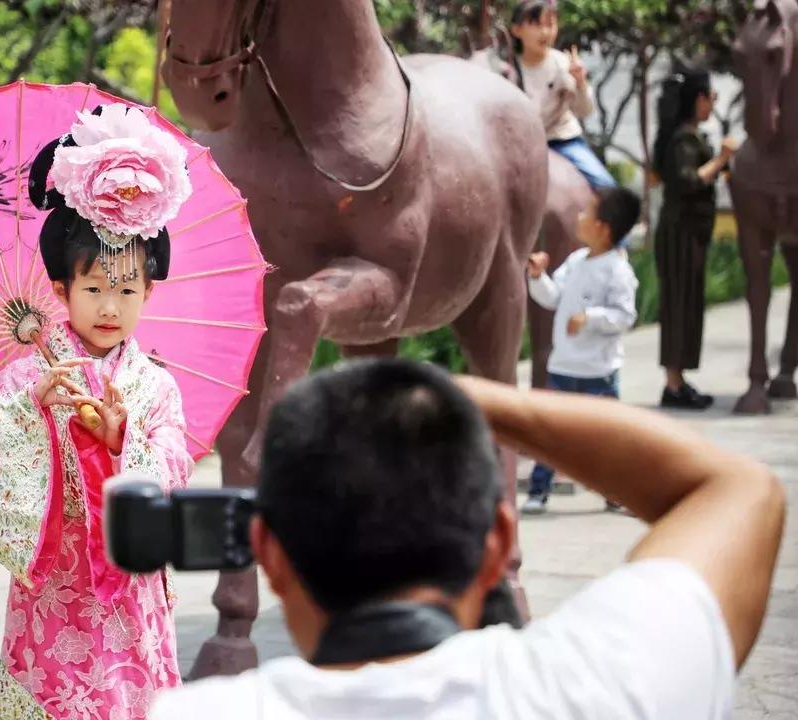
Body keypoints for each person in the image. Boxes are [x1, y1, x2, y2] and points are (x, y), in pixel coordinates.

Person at [149, 358, 785, 720]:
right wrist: (465, 397)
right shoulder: (602, 683)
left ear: (270, 558)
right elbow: (737, 488)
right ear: (496, 542)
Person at [0, 103, 195, 719]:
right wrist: (31, 411)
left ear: (148, 292)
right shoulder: (30, 375)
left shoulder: (155, 386)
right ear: (60, 291)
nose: (111, 305)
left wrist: (121, 438)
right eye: (93, 288)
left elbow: (175, 469)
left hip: (132, 595)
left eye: (127, 289)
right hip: (56, 594)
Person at [522, 186, 641, 514]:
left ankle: (616, 491)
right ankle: (538, 490)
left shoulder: (618, 271)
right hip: (563, 367)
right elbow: (552, 297)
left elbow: (624, 315)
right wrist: (537, 277)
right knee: (549, 433)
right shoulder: (576, 261)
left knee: (605, 437)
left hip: (598, 373)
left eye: (586, 212)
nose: (579, 217)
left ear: (602, 228)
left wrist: (590, 319)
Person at [652, 66, 739, 410]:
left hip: (690, 236)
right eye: (711, 97)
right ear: (698, 99)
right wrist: (721, 159)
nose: (712, 104)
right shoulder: (682, 139)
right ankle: (673, 385)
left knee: (687, 305)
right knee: (678, 305)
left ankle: (679, 380)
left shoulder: (691, 135)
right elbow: (689, 179)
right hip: (679, 236)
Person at [510, 0, 617, 191]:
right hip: (520, 147)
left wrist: (580, 83)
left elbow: (584, 111)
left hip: (562, 141)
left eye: (550, 25)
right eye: (536, 25)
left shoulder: (563, 64)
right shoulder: (507, 69)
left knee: (606, 186)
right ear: (516, 30)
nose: (545, 32)